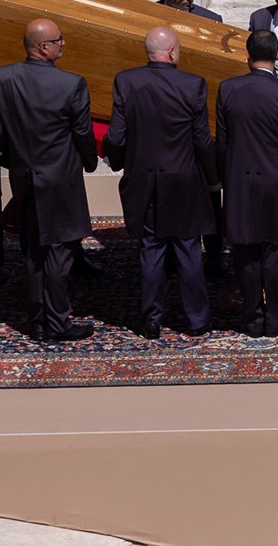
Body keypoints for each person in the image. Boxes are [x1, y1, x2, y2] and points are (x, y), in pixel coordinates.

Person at [104, 26, 217, 338]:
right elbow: (202, 141)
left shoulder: (126, 81)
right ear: (172, 52)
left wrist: (121, 163)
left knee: (151, 249)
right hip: (184, 180)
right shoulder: (193, 84)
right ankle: (196, 320)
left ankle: (151, 319)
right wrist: (213, 179)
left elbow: (115, 136)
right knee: (188, 248)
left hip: (145, 179)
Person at [0, 18, 98, 342]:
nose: (63, 44)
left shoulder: (2, 77)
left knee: (33, 249)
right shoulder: (73, 84)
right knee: (60, 251)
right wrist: (90, 162)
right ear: (43, 47)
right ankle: (58, 321)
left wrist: (9, 159)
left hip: (23, 176)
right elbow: (82, 133)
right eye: (58, 40)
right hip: (60, 179)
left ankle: (36, 319)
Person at [216, 28, 278, 336]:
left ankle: (252, 317)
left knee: (244, 252)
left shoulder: (227, 90)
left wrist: (224, 179)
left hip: (240, 184)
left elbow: (223, 145)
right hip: (276, 186)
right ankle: (276, 317)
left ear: (247, 56)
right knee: (274, 253)